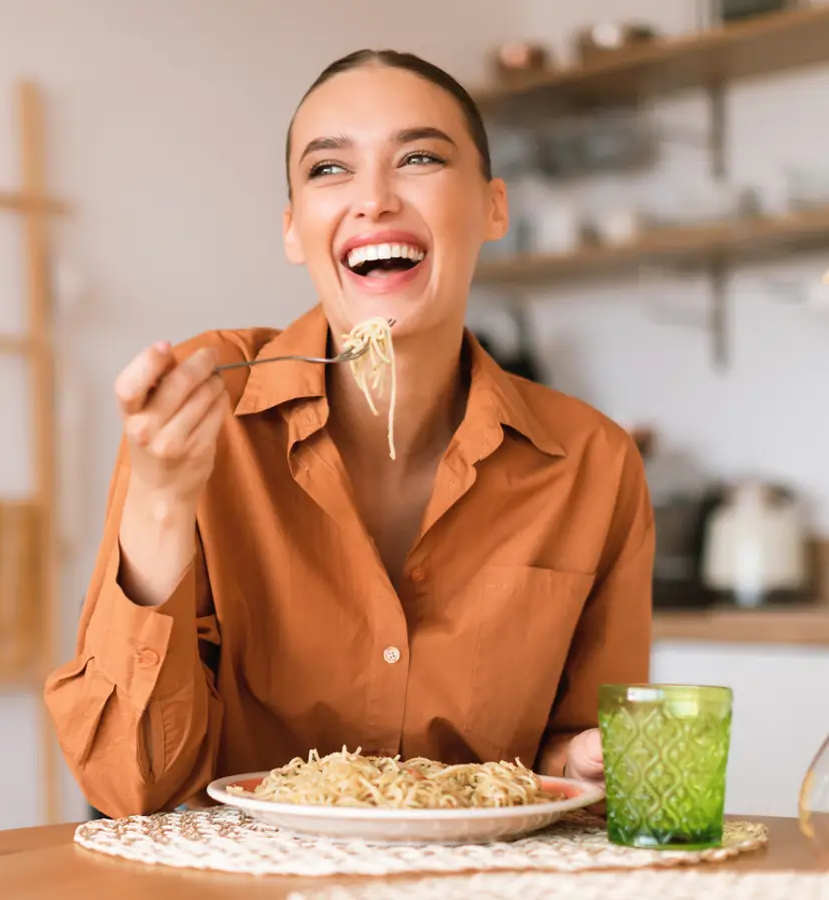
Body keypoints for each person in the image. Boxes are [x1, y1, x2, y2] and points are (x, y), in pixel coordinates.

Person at [45, 49, 654, 819]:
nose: (373, 199)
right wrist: (161, 501)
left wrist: (585, 765)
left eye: (420, 157)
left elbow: (578, 768)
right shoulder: (205, 413)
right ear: (295, 229)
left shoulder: (592, 462)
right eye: (330, 169)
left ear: (494, 208)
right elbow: (130, 789)